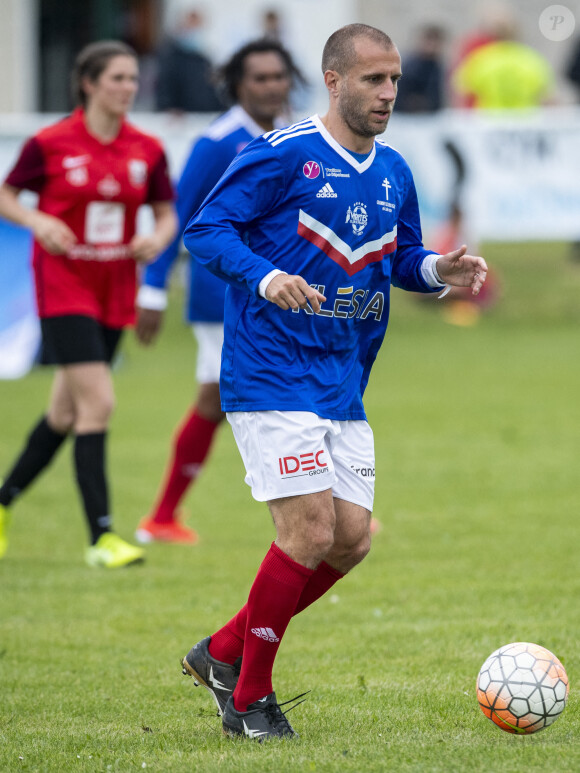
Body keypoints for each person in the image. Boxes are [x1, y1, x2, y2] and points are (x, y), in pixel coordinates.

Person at [178, 23, 488, 740]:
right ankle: (251, 696)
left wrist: (438, 270)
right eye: (373, 79)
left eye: (395, 80)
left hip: (342, 377)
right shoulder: (283, 155)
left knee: (352, 538)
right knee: (309, 527)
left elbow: (400, 255)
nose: (387, 93)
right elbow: (206, 230)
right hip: (270, 368)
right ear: (335, 80)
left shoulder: (394, 171)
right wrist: (266, 274)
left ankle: (222, 651)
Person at [0, 41, 177, 568]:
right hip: (62, 285)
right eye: (118, 78)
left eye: (131, 78)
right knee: (97, 404)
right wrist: (38, 220)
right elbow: (6, 195)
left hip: (114, 286)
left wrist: (158, 238)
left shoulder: (146, 148)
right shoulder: (50, 143)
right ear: (89, 84)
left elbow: (168, 211)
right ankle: (102, 537)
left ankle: (3, 501)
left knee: (64, 411)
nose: (129, 87)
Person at [135, 39, 304, 544]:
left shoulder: (292, 137)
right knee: (252, 394)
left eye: (279, 76)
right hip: (224, 293)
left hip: (277, 290)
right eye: (260, 78)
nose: (272, 86)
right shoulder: (219, 141)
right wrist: (152, 290)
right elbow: (183, 216)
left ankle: (163, 517)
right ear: (237, 85)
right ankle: (163, 516)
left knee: (227, 398)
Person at [154, 8, 224, 113]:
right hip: (182, 120)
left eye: (197, 25)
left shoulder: (203, 58)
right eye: (191, 24)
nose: (195, 29)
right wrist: (168, 108)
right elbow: (164, 87)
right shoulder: (170, 55)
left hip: (204, 116)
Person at [394, 24, 447, 113]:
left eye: (436, 41)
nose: (433, 46)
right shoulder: (410, 67)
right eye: (430, 41)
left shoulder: (436, 66)